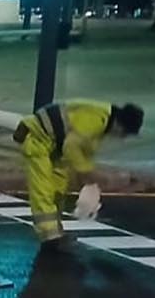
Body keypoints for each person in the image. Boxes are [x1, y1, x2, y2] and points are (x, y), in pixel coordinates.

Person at [13, 100, 144, 247]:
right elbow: (71, 147)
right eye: (124, 134)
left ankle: (56, 230)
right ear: (119, 126)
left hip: (55, 145)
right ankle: (50, 236)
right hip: (38, 139)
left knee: (58, 189)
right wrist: (90, 174)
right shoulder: (96, 119)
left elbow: (84, 154)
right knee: (43, 191)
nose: (122, 138)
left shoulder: (102, 124)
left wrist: (89, 180)